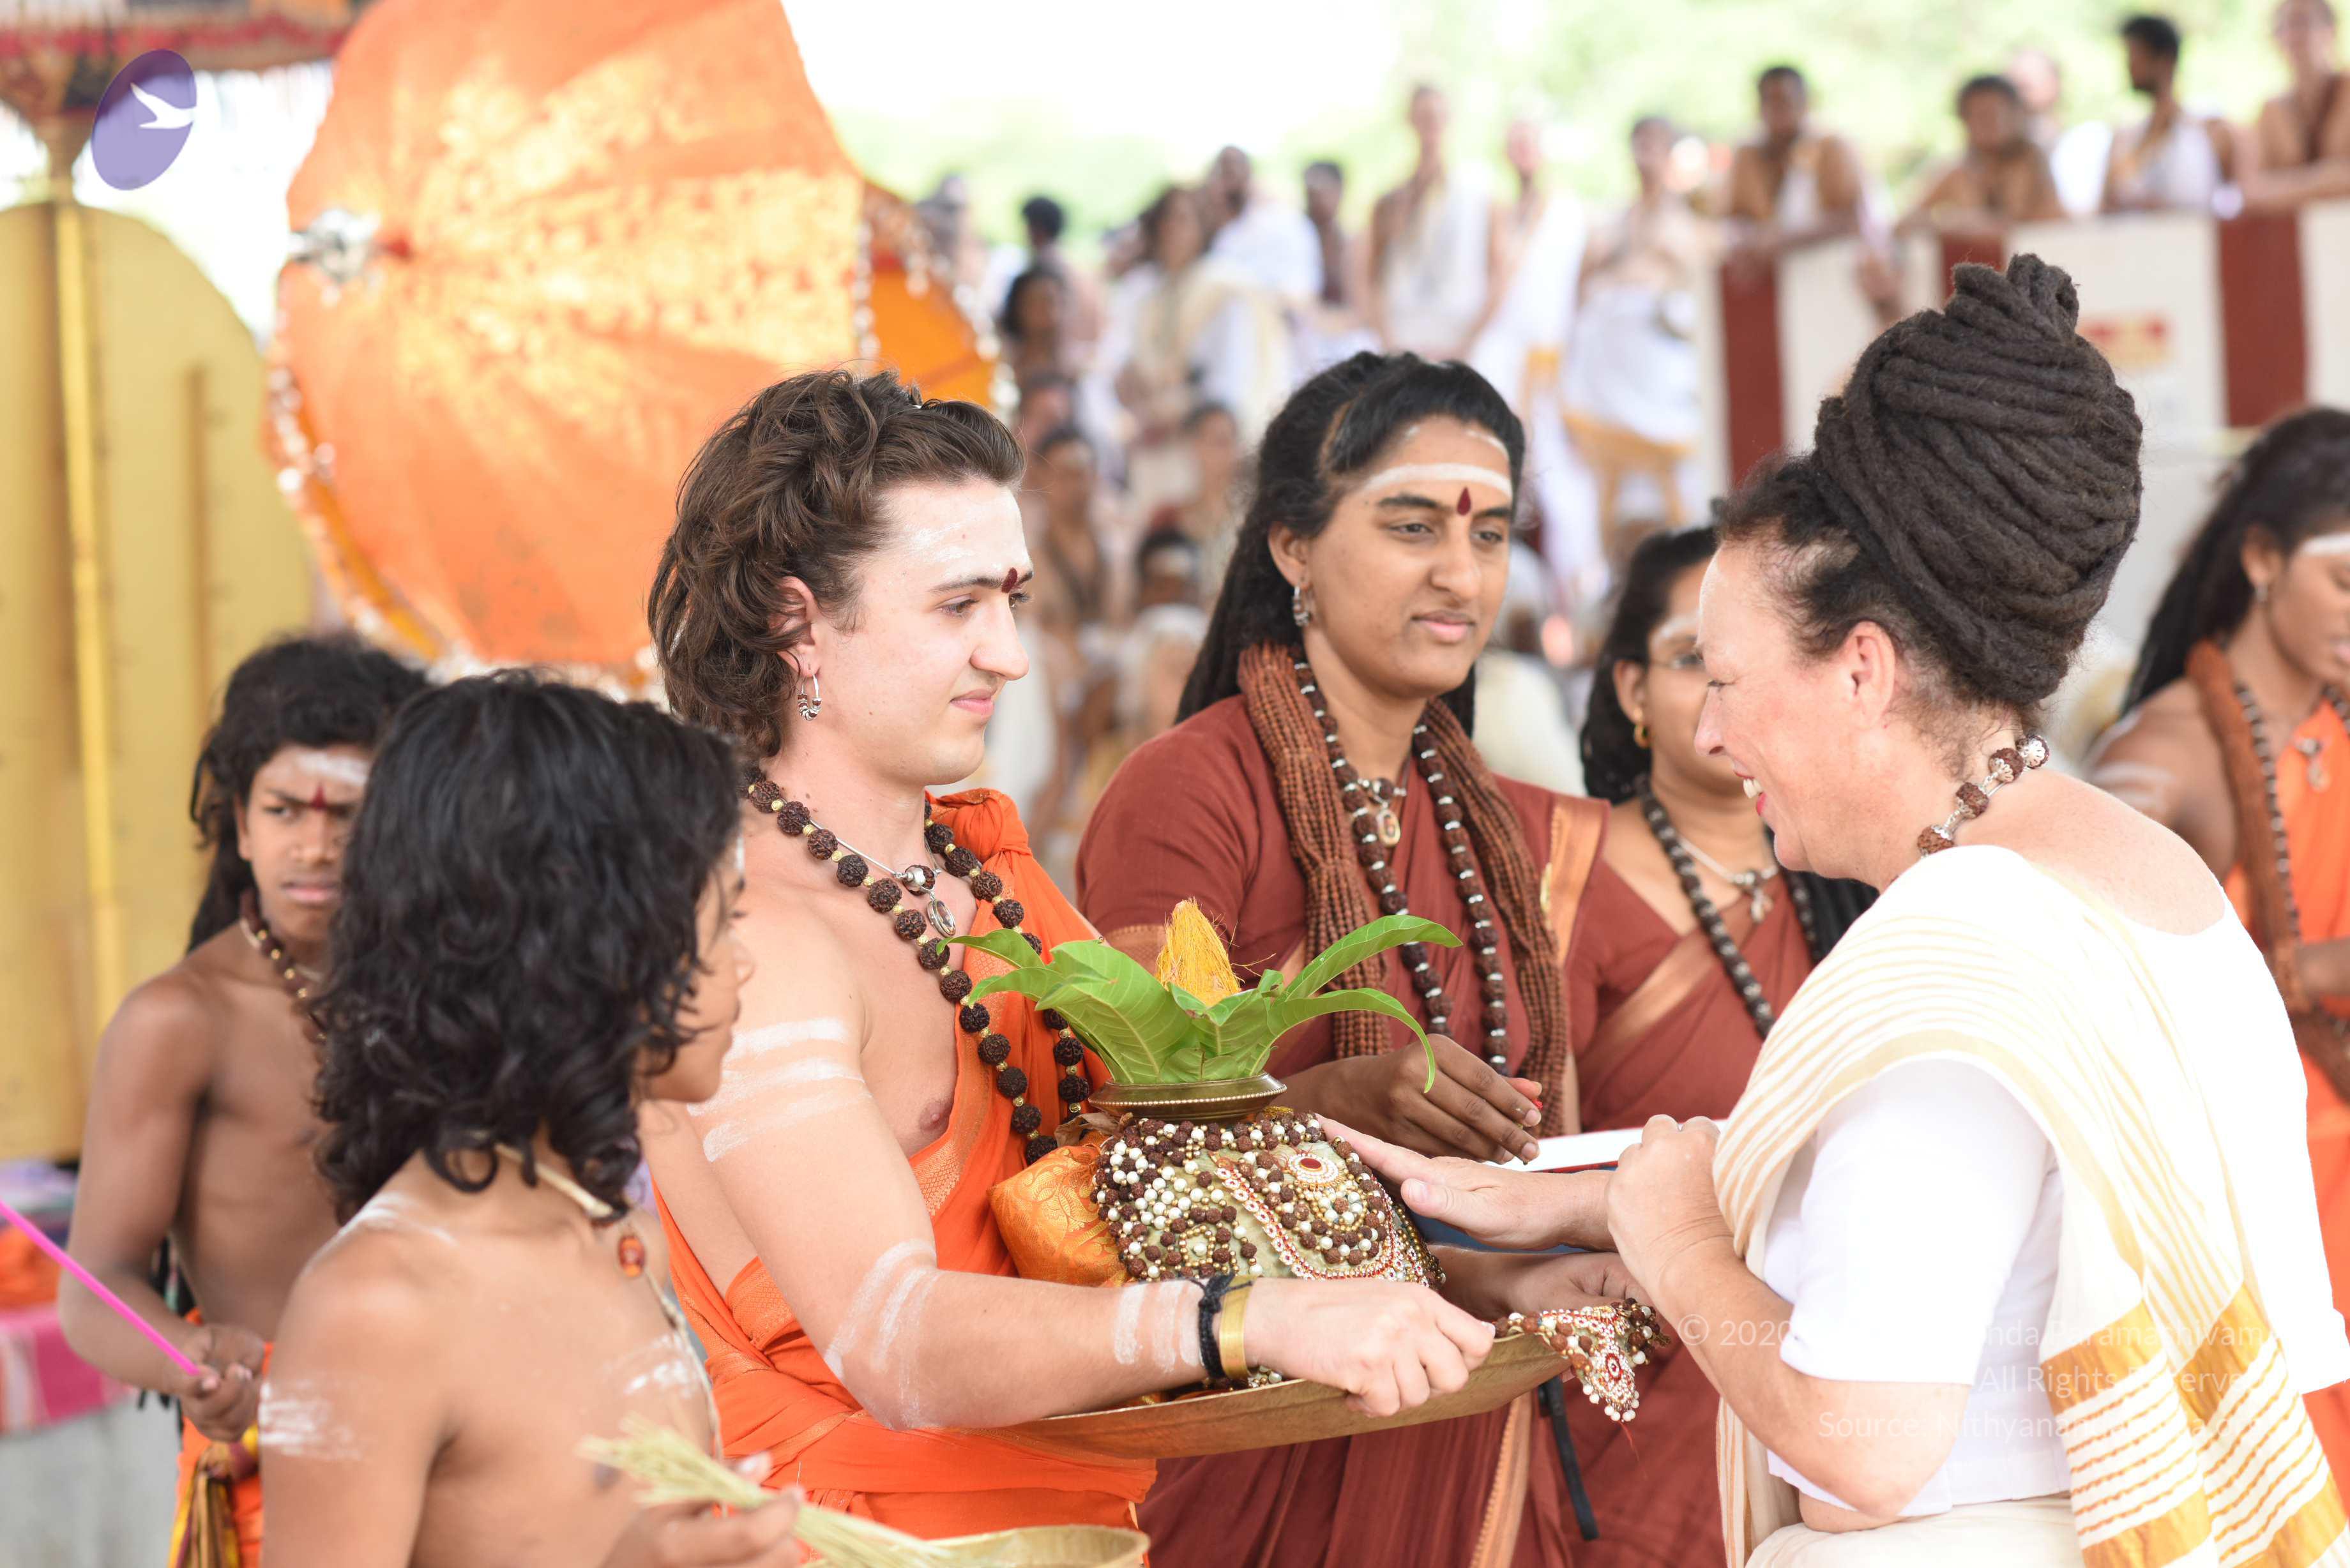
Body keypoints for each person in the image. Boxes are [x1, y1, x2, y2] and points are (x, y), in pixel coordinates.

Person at [1360, 255, 2350, 1564]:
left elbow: (1862, 1441)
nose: (1712, 733)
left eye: (1726, 679)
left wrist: (1673, 1238)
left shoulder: (1954, 949)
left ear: (1863, 670)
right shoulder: (2139, 871)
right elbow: (1987, 1207)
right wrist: (1599, 1198)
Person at [638, 368, 1506, 1539]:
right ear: (799, 627)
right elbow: (894, 1342)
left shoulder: (990, 873)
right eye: (958, 606)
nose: (1011, 656)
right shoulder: (749, 936)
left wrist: (1493, 1274)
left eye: (1012, 600)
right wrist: (1242, 1321)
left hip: (1089, 1529)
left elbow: (1181, 1181)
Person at [1075, 351, 1626, 1568]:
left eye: (1490, 534)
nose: (1460, 574)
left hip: (1465, 1406)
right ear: (1293, 549)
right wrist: (1326, 1099)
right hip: (1259, 1442)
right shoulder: (1190, 794)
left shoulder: (1499, 831)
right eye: (1412, 526)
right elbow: (1124, 1154)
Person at [256, 672, 802, 1568]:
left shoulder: (618, 1232)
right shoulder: (378, 1306)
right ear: (592, 948)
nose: (741, 966)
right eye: (720, 921)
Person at [58, 634, 424, 1568]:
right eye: (283, 810)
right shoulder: (179, 1019)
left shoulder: (443, 992)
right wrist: (188, 1361)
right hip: (280, 1460)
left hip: (454, 1452)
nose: (315, 846)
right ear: (241, 825)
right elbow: (96, 1286)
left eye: (348, 814)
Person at [1554, 524, 1870, 1566]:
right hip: (1637, 1359)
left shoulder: (1843, 873)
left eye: (1745, 662)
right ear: (1632, 690)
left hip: (1820, 1360)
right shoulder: (1568, 878)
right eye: (1691, 659)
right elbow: (1543, 1161)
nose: (1721, 693)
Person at [2088, 405, 2350, 1479]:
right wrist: (2301, 972)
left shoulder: (2339, 724)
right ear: (2262, 560)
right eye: (2346, 580)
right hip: (2254, 1196)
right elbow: (2084, 981)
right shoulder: (2166, 752)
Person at [1565, 116, 1712, 587]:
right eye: (1639, 143)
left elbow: (1698, 302)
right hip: (1607, 381)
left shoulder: (1690, 226)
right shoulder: (1609, 225)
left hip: (1660, 380)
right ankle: (1615, 585)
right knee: (1610, 492)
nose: (1645, 152)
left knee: (1678, 492)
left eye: (1655, 143)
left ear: (1670, 153)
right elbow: (1578, 294)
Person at [1112, 185, 1289, 516]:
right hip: (1154, 447)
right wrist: (1139, 406)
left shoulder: (1224, 290)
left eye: (1182, 220)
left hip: (1203, 449)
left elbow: (1230, 383)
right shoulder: (1150, 294)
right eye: (1165, 220)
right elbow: (1129, 370)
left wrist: (1176, 418)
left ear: (1202, 225)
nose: (1171, 230)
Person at [1367, 85, 1492, 359]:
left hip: (1458, 340)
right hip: (1404, 338)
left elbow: (1498, 276)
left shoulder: (1479, 195)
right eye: (1424, 115)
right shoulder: (1390, 201)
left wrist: (1467, 344)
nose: (1432, 123)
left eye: (1438, 115)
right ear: (1410, 120)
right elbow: (1375, 278)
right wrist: (1388, 343)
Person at [1725, 66, 1869, 266]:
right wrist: (1749, 241)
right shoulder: (1748, 154)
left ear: (1805, 103)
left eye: (1785, 102)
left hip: (1831, 266)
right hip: (1772, 273)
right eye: (1770, 102)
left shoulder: (1832, 148)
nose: (1778, 113)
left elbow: (1850, 219)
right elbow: (1736, 217)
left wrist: (1784, 240)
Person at [1899, 75, 2066, 240]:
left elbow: (2058, 225)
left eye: (1996, 113)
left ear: (2016, 114)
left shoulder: (2035, 164)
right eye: (1980, 115)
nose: (1990, 124)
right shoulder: (1955, 173)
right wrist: (1953, 222)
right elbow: (1903, 225)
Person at [2102, 14, 2236, 213]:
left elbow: (2237, 201)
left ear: (2164, 60)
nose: (2129, 66)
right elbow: (2106, 205)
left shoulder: (2210, 131)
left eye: (2135, 55)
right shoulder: (2124, 138)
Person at [2245, 0, 2350, 209]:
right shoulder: (2271, 112)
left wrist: (2288, 187)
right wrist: (2327, 178)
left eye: (2302, 22)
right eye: (2284, 26)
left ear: (2331, 30)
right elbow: (2253, 192)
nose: (2294, 35)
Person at [1141, 401, 1245, 595]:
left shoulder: (1251, 518)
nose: (1231, 453)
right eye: (1219, 442)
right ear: (1194, 446)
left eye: (1233, 441)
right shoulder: (1166, 518)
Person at [2007, 45, 2115, 216]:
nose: (2021, 94)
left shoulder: (2090, 141)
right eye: (2014, 86)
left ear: (2055, 83)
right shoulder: (1997, 159)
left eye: (2027, 85)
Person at [997, 266, 1075, 400]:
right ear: (1018, 309)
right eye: (1035, 303)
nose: (1047, 312)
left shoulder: (1077, 369)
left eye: (1052, 302)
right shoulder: (1003, 367)